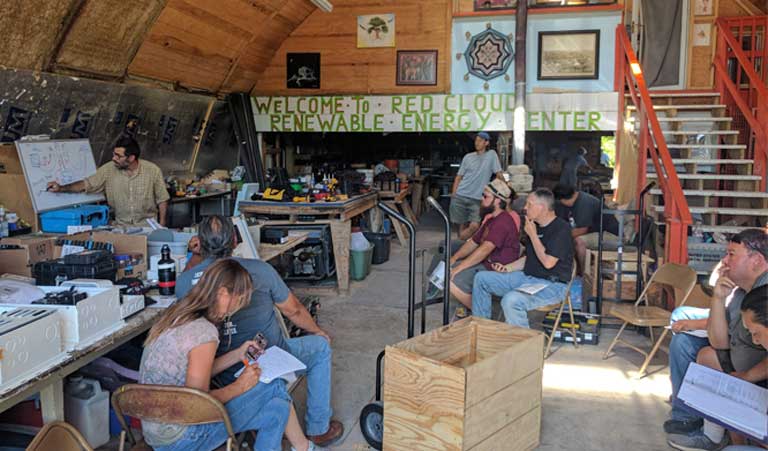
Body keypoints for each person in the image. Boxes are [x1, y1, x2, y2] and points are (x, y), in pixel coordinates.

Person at [176, 216, 343, 447]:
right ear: (235, 240)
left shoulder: (185, 281)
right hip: (263, 358)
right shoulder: (258, 270)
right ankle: (318, 429)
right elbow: (293, 311)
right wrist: (317, 330)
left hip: (211, 369)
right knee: (321, 347)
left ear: (199, 243)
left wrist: (194, 258)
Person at [139, 259, 291, 451]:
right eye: (240, 299)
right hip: (180, 437)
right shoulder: (204, 332)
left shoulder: (177, 314)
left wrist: (237, 354)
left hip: (156, 427)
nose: (240, 307)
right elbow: (198, 403)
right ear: (223, 293)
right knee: (276, 385)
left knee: (277, 411)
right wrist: (240, 386)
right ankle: (305, 445)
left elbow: (195, 373)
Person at [668, 229, 768, 451]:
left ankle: (734, 440)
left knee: (704, 355)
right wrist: (718, 297)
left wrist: (748, 376)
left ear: (756, 260)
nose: (724, 261)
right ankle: (710, 431)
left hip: (758, 373)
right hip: (740, 362)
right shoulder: (741, 291)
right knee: (703, 353)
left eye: (732, 254)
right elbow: (719, 342)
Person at [471, 188, 574, 327]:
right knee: (482, 278)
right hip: (527, 279)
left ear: (542, 207)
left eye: (529, 204)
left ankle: (523, 345)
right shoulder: (534, 225)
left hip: (552, 285)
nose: (525, 208)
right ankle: (482, 328)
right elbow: (530, 258)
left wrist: (532, 235)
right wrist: (507, 268)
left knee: (511, 300)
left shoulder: (562, 229)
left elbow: (548, 263)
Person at [46, 136, 169, 227]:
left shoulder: (152, 170)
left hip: (147, 226)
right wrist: (61, 188)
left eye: (118, 156)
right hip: (121, 227)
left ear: (131, 158)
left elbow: (162, 199)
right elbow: (86, 184)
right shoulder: (108, 169)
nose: (114, 158)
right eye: (114, 154)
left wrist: (162, 225)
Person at [446, 179, 520, 315]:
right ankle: (480, 308)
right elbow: (473, 242)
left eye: (486, 196)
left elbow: (484, 249)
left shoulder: (503, 221)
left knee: (448, 280)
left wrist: (458, 267)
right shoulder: (492, 218)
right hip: (487, 264)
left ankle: (483, 312)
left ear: (498, 201)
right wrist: (454, 258)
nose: (481, 198)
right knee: (447, 271)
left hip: (498, 268)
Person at [553, 184, 620, 272]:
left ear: (563, 200)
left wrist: (559, 237)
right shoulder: (571, 202)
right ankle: (572, 270)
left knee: (579, 241)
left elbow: (582, 230)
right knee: (567, 238)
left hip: (611, 235)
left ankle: (584, 274)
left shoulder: (584, 203)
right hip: (595, 233)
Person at [450, 131, 503, 240]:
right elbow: (459, 176)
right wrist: (454, 193)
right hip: (461, 195)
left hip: (477, 198)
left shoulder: (491, 155)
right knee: (461, 224)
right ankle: (463, 247)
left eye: (480, 141)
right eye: (476, 140)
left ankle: (463, 242)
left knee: (475, 226)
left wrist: (503, 189)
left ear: (486, 143)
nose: (477, 143)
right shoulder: (468, 157)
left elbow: (499, 175)